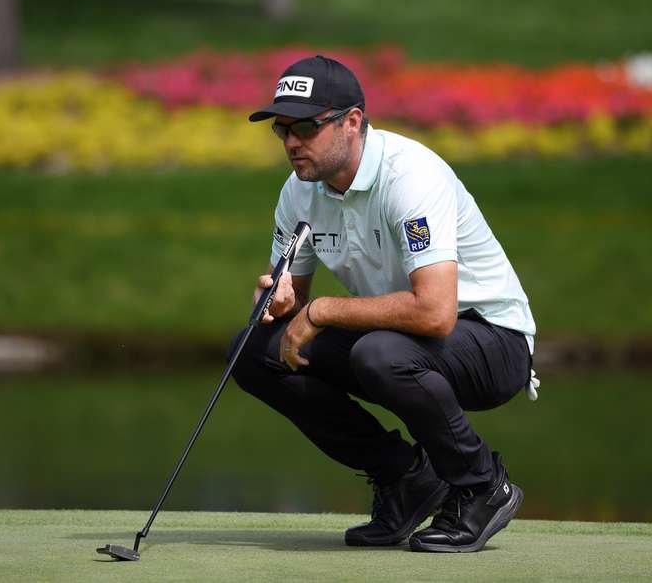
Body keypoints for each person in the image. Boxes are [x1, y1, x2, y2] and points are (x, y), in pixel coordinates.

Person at [229, 55, 538, 553]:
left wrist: (321, 311)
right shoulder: (298, 192)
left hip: (492, 339)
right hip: (398, 337)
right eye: (282, 129)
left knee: (379, 355)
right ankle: (404, 478)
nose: (290, 142)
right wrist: (277, 301)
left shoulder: (410, 176)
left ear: (352, 122)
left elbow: (436, 314)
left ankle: (482, 486)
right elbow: (292, 302)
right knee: (252, 349)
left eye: (305, 126)